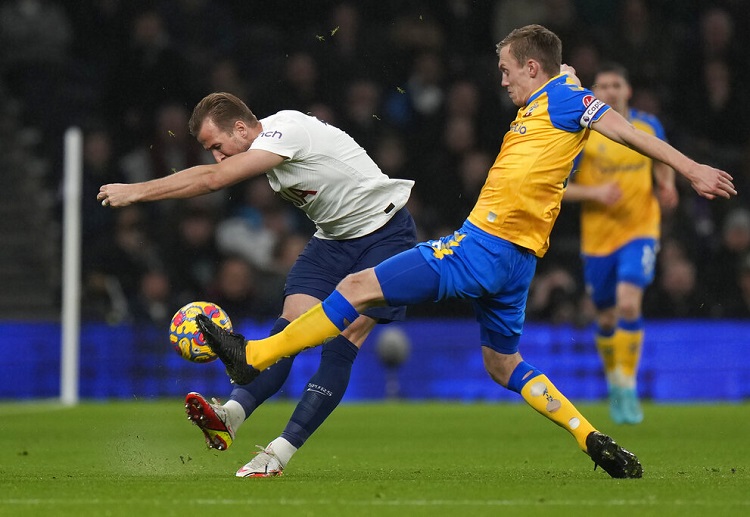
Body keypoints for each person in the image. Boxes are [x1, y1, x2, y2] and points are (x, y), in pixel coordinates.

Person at [192, 24, 736, 479]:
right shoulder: (551, 100)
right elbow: (564, 79)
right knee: (504, 366)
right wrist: (563, 73)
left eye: (506, 69)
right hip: (519, 263)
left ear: (531, 68)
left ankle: (256, 355)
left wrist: (689, 169)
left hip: (482, 246)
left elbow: (621, 128)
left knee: (355, 288)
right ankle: (588, 435)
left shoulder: (567, 98)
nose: (500, 80)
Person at [98, 92, 417, 477]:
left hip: (385, 234)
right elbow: (218, 172)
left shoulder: (286, 132)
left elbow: (214, 180)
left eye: (217, 146)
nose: (217, 156)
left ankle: (278, 454)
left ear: (239, 128)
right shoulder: (268, 146)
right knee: (289, 329)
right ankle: (231, 414)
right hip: (332, 241)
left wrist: (136, 191)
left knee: (344, 339)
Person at [562, 62, 679, 425]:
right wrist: (594, 191)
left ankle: (626, 384)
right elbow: (558, 186)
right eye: (603, 85)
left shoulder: (647, 125)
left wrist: (667, 182)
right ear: (593, 92)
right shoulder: (583, 133)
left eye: (616, 84)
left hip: (640, 230)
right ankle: (615, 381)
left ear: (628, 90)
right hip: (598, 239)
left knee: (629, 305)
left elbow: (661, 156)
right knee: (607, 315)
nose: (610, 91)